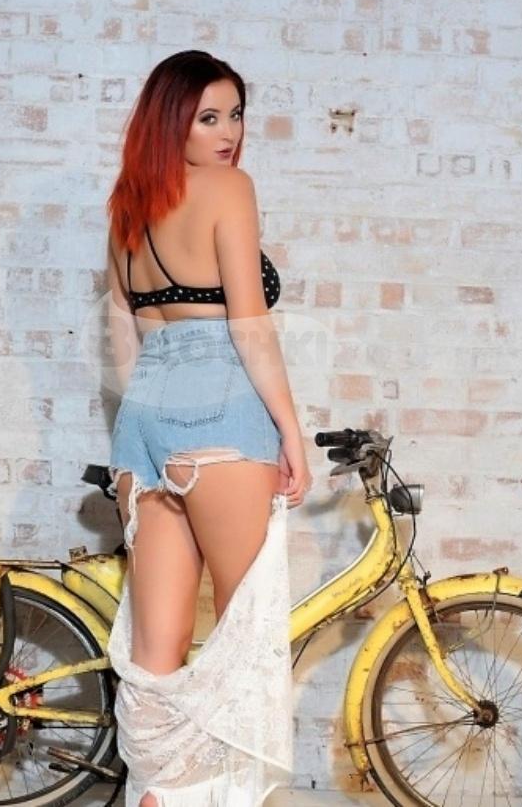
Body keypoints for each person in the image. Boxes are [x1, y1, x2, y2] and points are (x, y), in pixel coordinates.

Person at [104, 50, 312, 807]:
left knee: (155, 652)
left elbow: (124, 336)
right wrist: (290, 430)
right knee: (243, 632)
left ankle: (158, 794)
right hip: (223, 413)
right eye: (209, 118)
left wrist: (149, 419)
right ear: (173, 124)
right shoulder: (230, 189)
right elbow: (248, 326)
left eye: (236, 115)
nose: (228, 133)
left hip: (142, 426)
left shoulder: (127, 206)